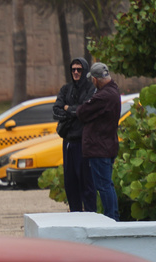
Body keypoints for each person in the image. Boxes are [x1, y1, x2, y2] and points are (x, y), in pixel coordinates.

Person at [76, 62, 121, 221]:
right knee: (107, 185)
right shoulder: (113, 90)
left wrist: (84, 106)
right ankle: (113, 216)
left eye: (92, 79)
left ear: (96, 79)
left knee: (103, 186)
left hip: (99, 147)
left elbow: (82, 112)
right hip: (107, 145)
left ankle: (111, 218)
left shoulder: (103, 96)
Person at [53, 58, 96, 213]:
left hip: (83, 142)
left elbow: (85, 110)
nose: (76, 72)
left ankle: (91, 215)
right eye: (73, 70)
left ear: (84, 71)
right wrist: (73, 111)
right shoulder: (66, 89)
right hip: (68, 141)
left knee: (86, 182)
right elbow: (56, 110)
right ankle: (75, 213)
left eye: (79, 69)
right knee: (70, 182)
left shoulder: (91, 88)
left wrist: (68, 109)